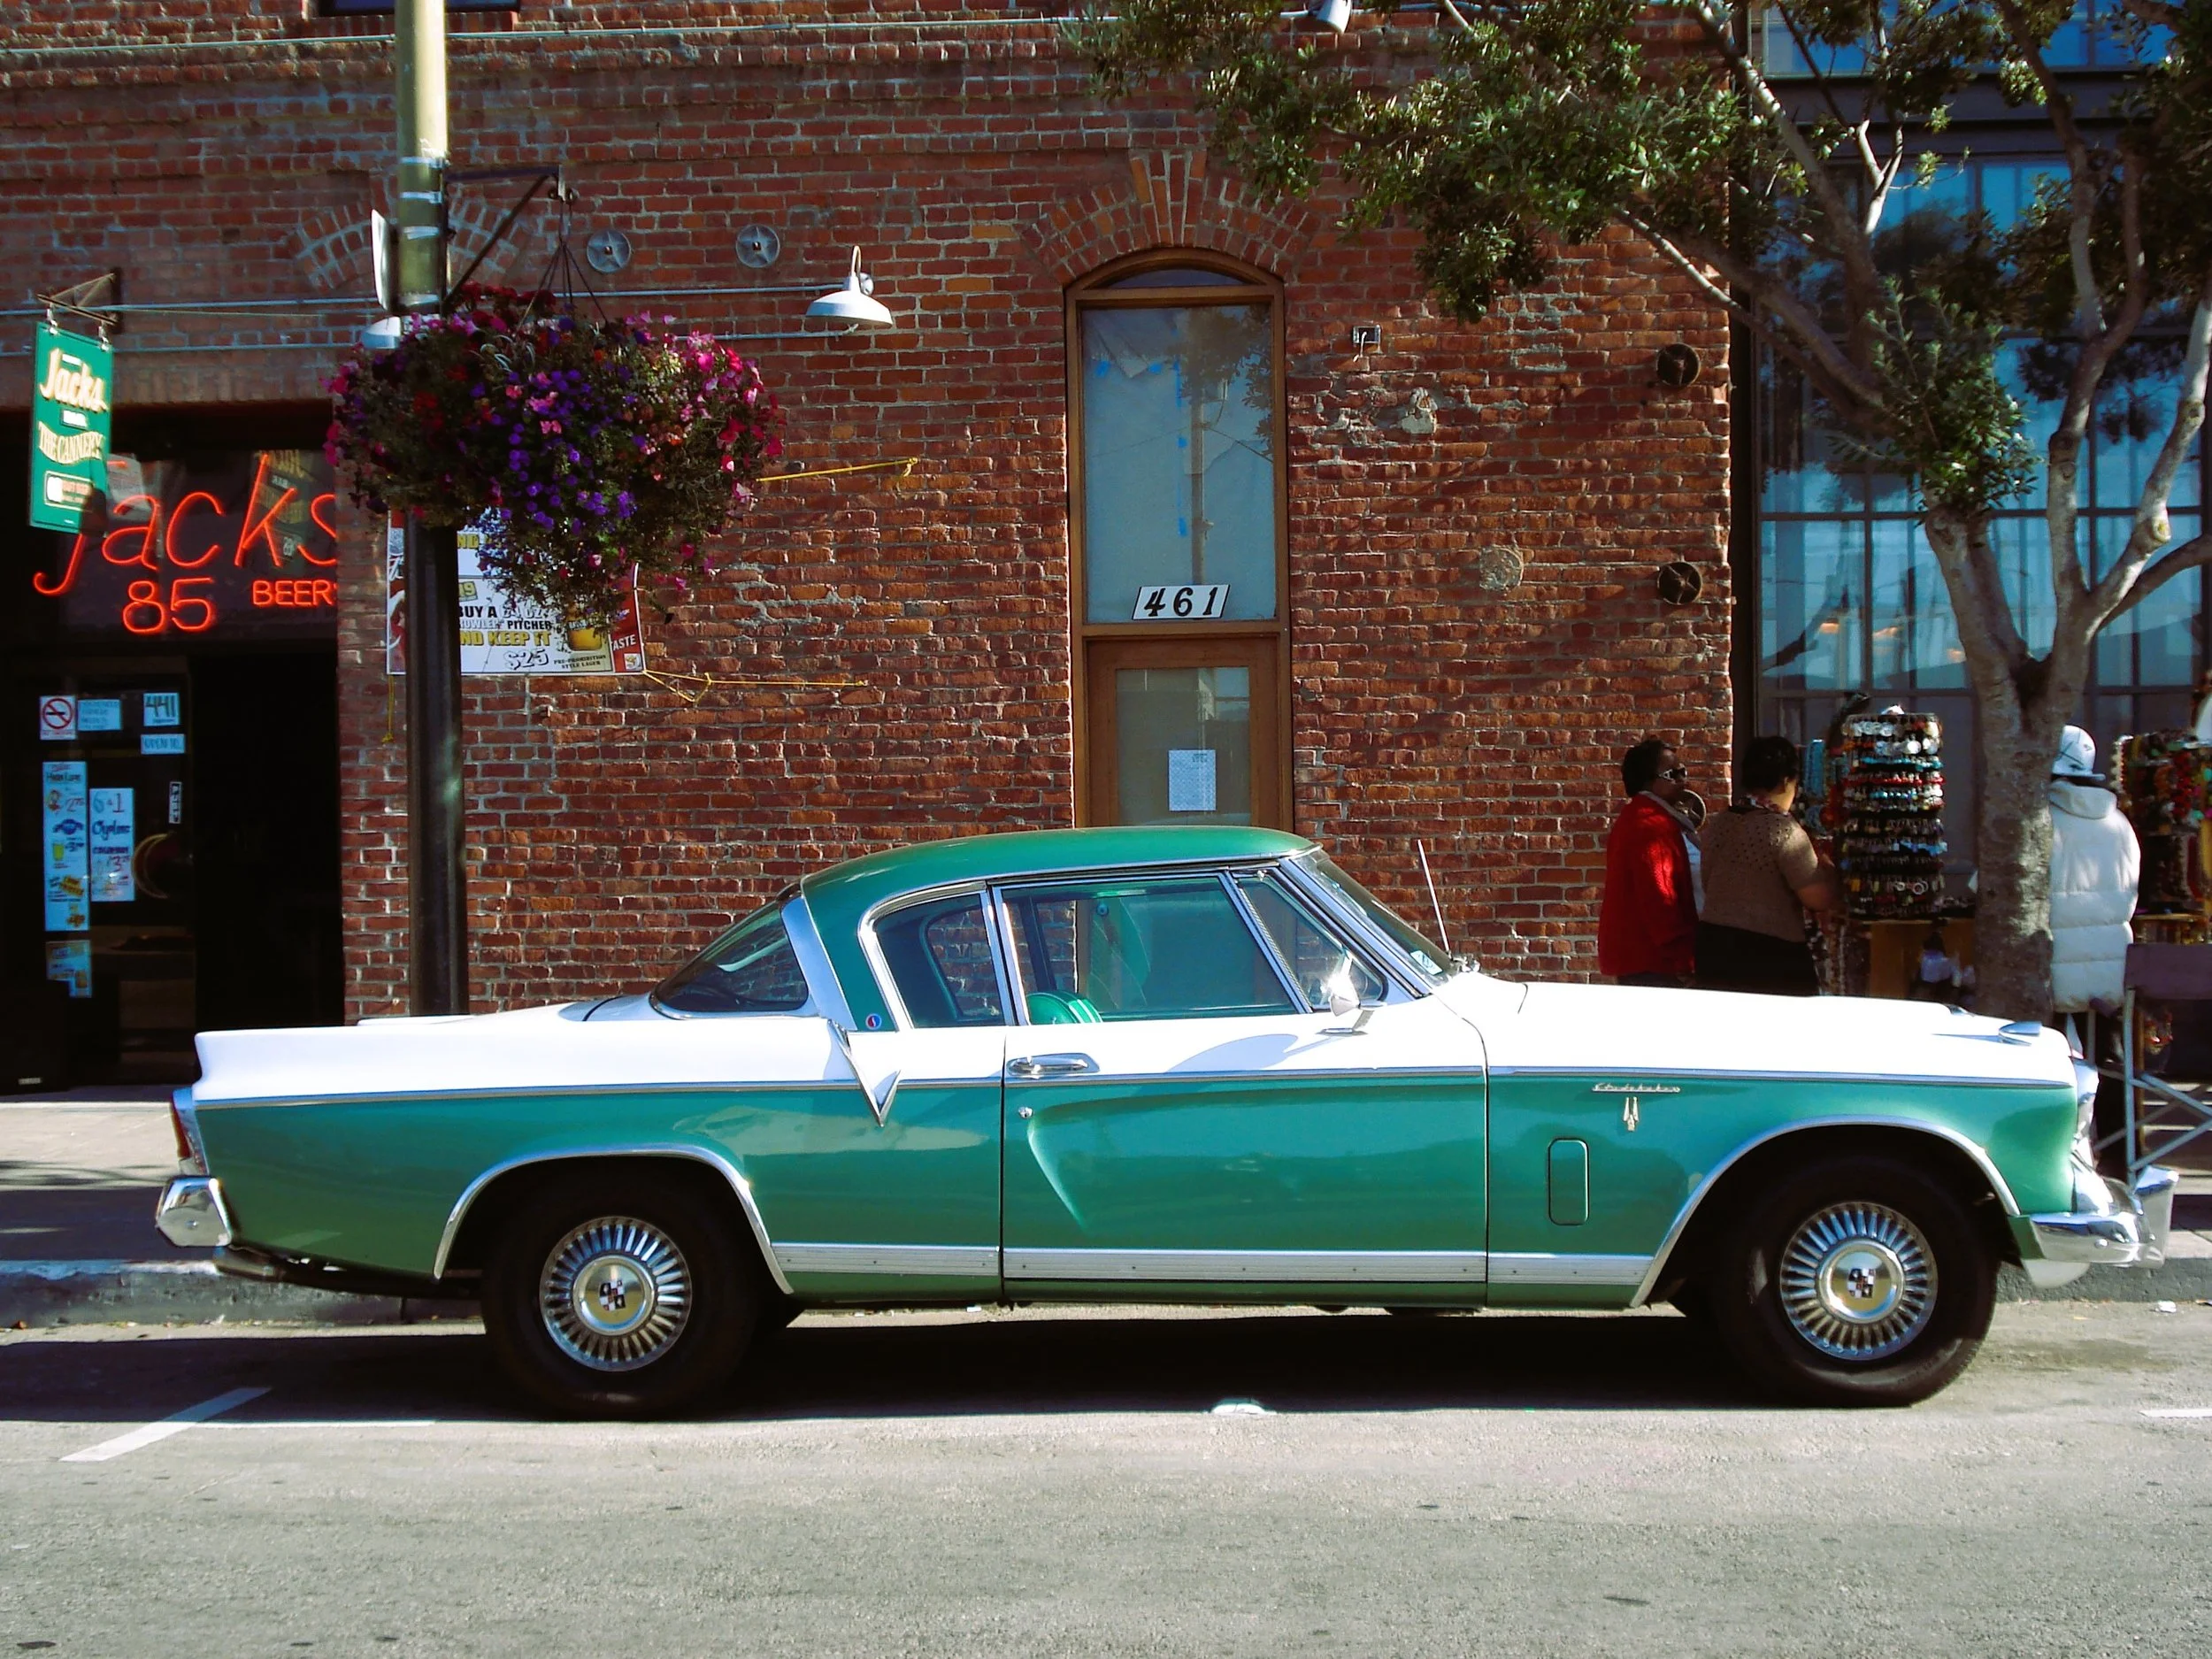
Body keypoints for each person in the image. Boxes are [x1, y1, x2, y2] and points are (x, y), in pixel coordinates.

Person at [2048, 726, 2139, 1167]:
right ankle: (2123, 1160)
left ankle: (2055, 1157)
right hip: (2112, 967)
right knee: (2110, 1060)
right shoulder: (2120, 824)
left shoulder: (2040, 819)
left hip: (2049, 963)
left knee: (2043, 1061)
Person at [1695, 734, 1838, 995]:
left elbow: (1709, 882)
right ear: (1786, 781)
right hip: (1768, 955)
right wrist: (1827, 868)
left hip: (1713, 946)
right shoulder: (1783, 830)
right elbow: (1818, 898)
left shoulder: (1720, 823)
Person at [1598, 737, 1698, 987]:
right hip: (1654, 963)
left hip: (1642, 959)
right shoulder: (1650, 825)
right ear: (1650, 781)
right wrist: (1683, 961)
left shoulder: (1638, 817)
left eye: (1683, 772)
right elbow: (1660, 899)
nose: (1683, 780)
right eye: (1673, 773)